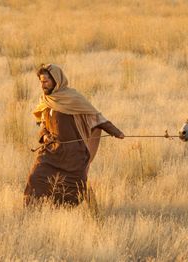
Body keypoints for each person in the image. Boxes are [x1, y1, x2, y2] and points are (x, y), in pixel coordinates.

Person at [24, 64, 124, 207]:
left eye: (45, 81)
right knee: (36, 177)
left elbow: (96, 117)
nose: (43, 85)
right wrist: (45, 136)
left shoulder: (73, 98)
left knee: (72, 186)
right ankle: (33, 211)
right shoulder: (46, 101)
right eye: (41, 82)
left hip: (73, 152)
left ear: (56, 80)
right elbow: (42, 124)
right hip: (51, 151)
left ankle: (68, 211)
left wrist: (116, 132)